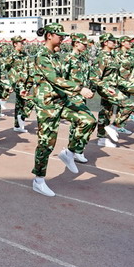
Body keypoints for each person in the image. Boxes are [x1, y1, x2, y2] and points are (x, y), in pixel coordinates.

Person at [24, 24, 96, 197]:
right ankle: (39, 180)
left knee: (88, 120)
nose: (62, 38)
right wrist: (79, 89)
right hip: (47, 104)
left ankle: (69, 153)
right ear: (49, 36)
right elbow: (54, 79)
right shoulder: (42, 56)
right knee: (46, 143)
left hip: (62, 99)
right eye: (59, 35)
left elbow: (64, 77)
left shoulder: (56, 56)